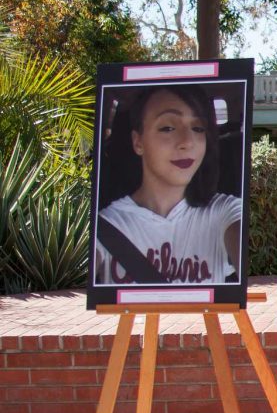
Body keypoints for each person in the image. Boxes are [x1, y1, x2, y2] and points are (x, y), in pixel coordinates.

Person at [94, 84, 241, 285]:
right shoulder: (108, 223)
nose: (187, 142)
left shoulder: (224, 211)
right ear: (138, 142)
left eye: (198, 128)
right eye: (168, 128)